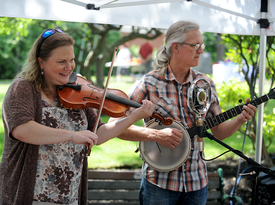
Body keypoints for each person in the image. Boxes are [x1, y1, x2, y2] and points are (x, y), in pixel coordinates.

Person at [0, 28, 155, 205]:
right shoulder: (23, 88)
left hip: (69, 195)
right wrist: (72, 135)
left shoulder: (76, 89)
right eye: (61, 62)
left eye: (72, 60)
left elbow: (99, 133)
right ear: (41, 62)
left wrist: (133, 117)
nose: (69, 67)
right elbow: (23, 129)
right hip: (32, 195)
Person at [109, 20, 257, 205]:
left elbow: (219, 131)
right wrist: (154, 134)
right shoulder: (148, 83)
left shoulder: (205, 84)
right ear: (176, 47)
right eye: (195, 45)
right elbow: (116, 128)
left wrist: (240, 120)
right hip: (159, 184)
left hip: (197, 183)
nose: (201, 50)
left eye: (201, 45)